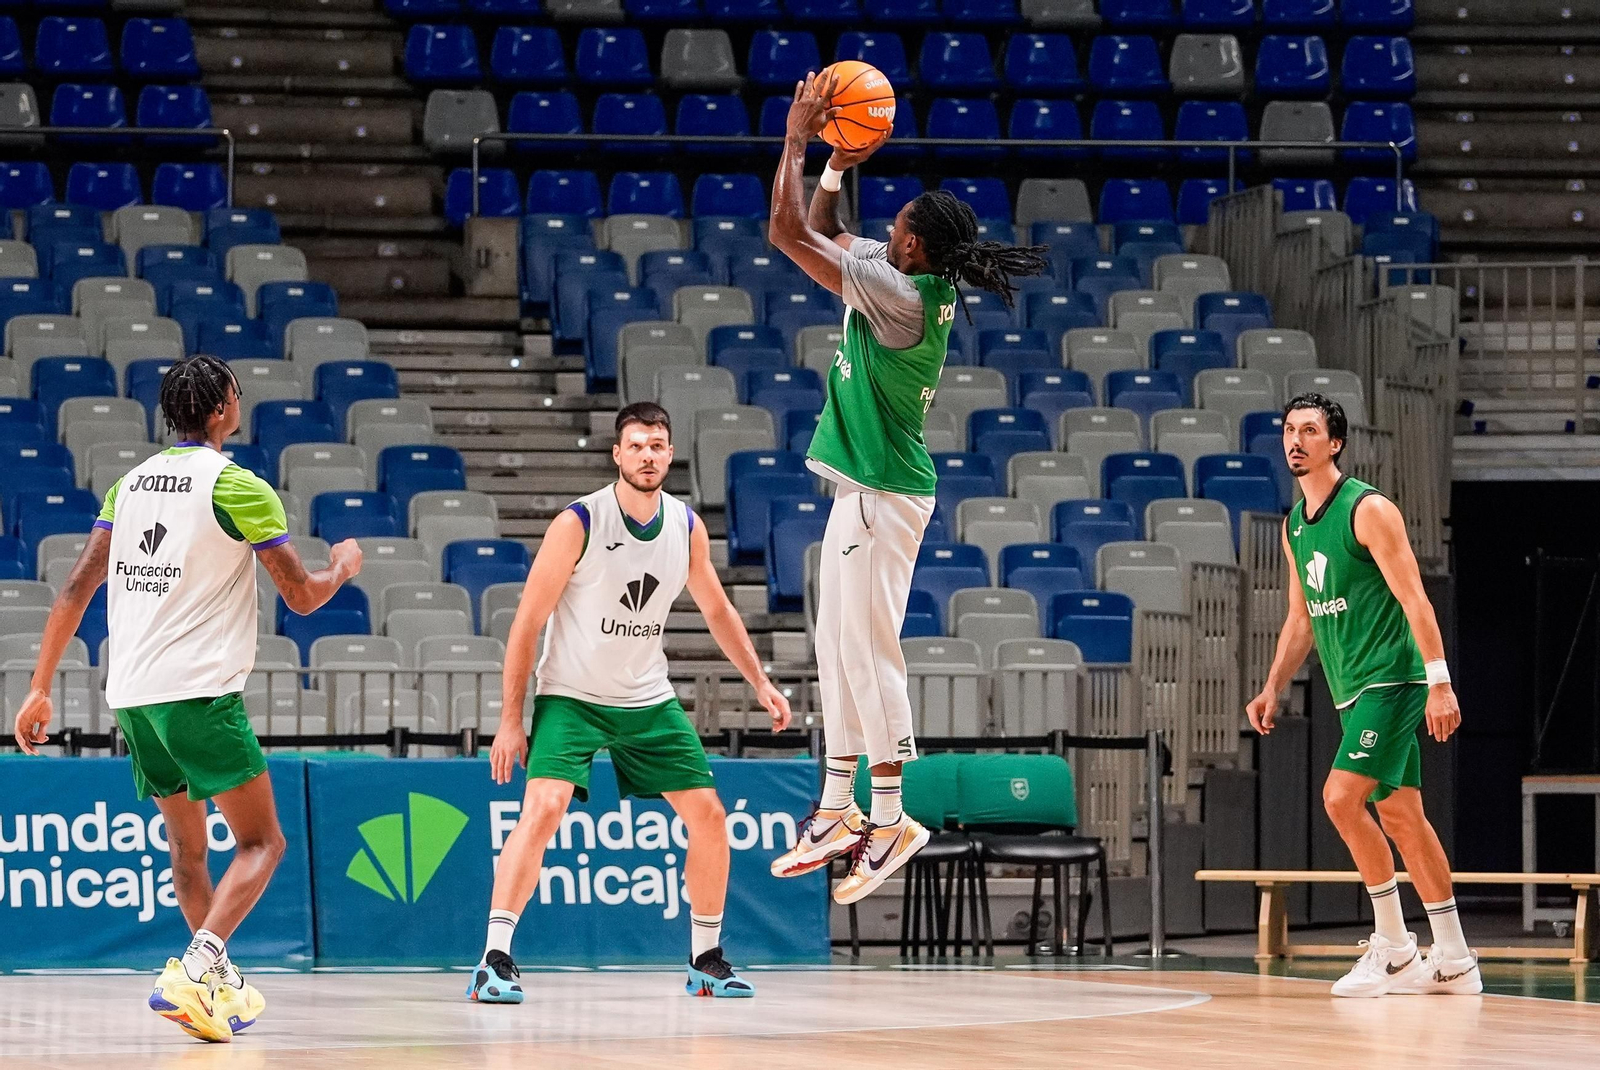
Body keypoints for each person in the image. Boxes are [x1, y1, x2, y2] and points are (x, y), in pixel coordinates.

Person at [11, 355, 364, 1041]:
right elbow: (301, 595)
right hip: (198, 693)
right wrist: (342, 570)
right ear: (225, 408)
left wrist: (38, 687)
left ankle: (216, 988)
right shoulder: (239, 487)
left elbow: (77, 589)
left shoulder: (129, 486)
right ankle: (195, 967)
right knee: (263, 842)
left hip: (133, 696)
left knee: (188, 848)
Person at [764, 72, 1050, 903]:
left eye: (896, 230)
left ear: (917, 248)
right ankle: (839, 807)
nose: (882, 234)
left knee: (871, 649)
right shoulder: (903, 273)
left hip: (886, 491)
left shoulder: (898, 294)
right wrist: (832, 168)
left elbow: (786, 233)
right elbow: (823, 224)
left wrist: (795, 137)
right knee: (838, 646)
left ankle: (890, 815)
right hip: (865, 486)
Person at [468, 402, 792, 1004]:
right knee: (543, 807)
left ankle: (705, 958)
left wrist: (760, 682)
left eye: (658, 446)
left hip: (647, 697)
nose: (648, 455)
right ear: (617, 454)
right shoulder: (579, 522)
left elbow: (718, 610)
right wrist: (510, 721)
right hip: (572, 694)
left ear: (671, 455)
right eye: (637, 445)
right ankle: (494, 957)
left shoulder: (685, 526)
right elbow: (526, 624)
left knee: (711, 816)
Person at [1247, 392, 1480, 997]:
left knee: (1340, 799)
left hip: (1393, 679)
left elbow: (1415, 600)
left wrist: (1441, 683)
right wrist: (1273, 686)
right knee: (1402, 815)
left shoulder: (1369, 509)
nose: (1295, 440)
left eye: (1309, 430)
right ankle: (1454, 957)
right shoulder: (1294, 524)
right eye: (1288, 430)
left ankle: (1397, 948)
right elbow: (1301, 618)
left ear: (1336, 443)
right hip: (1349, 688)